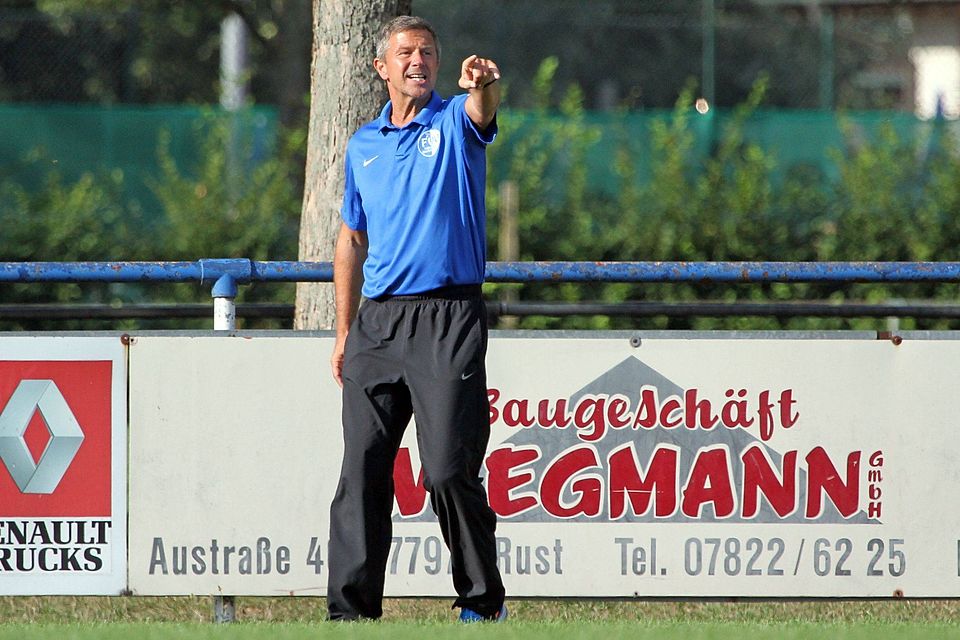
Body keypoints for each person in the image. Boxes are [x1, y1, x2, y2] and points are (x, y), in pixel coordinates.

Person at [326, 15, 506, 623]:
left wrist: (481, 84)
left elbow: (481, 111)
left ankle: (481, 603)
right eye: (405, 52)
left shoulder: (453, 121)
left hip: (447, 317)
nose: (417, 61)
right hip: (377, 325)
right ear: (381, 67)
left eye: (427, 52)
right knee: (361, 473)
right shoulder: (362, 145)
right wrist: (344, 330)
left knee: (450, 470)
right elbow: (351, 238)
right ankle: (350, 614)